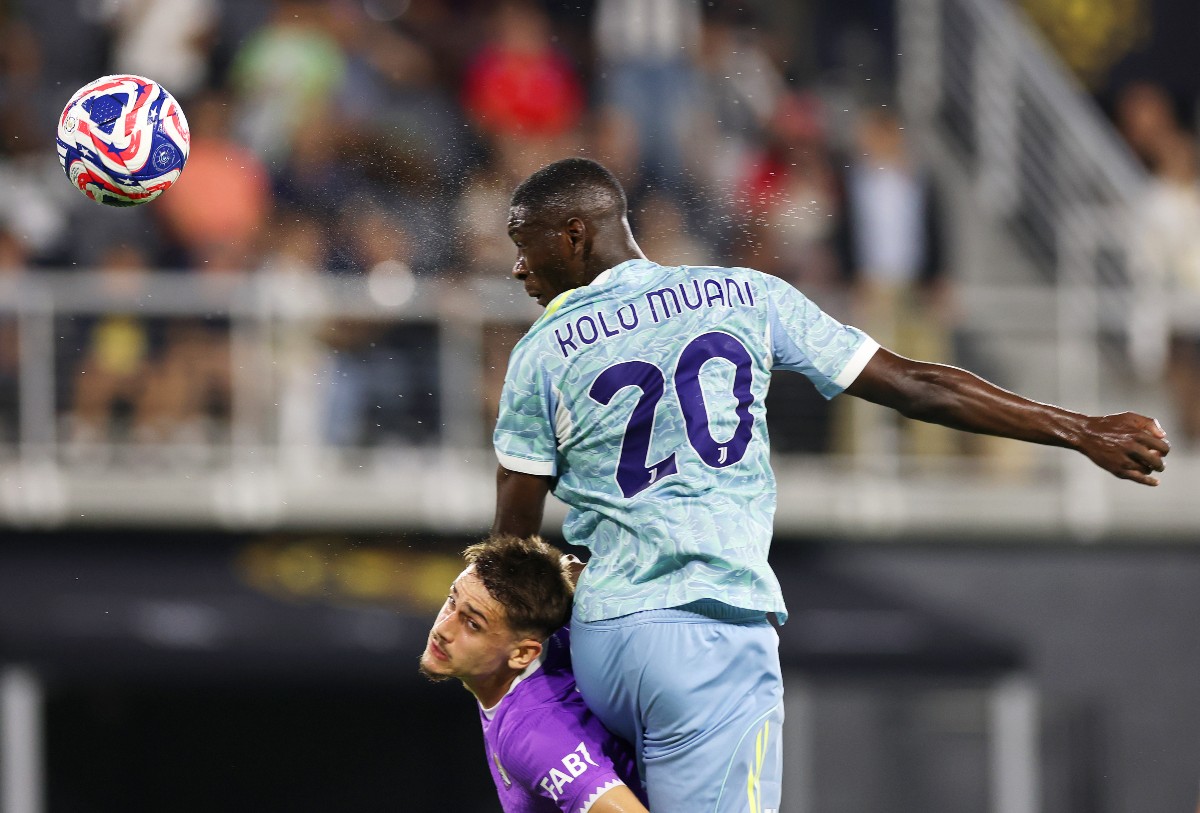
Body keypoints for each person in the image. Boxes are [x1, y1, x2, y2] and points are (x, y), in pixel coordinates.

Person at [489, 157, 1170, 812]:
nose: (519, 266)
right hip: (709, 632)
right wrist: (1078, 428)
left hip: (603, 640)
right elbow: (918, 386)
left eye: (525, 244)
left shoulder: (540, 353)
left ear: (574, 234)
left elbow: (511, 543)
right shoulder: (744, 293)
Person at [418, 534, 649, 813]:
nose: (443, 628)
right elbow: (567, 570)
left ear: (522, 654)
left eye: (473, 624)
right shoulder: (547, 629)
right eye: (452, 600)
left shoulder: (532, 736)